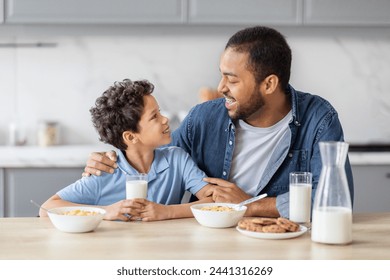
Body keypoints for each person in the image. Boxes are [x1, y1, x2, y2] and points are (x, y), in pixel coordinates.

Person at [82, 26, 354, 219]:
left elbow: (335, 201)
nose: (220, 87)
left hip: (285, 247)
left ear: (269, 84)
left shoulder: (318, 119)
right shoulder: (202, 118)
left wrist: (250, 205)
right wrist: (112, 160)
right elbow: (156, 165)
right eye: (221, 76)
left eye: (232, 80)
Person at [40, 79, 214, 221]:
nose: (165, 119)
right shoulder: (106, 171)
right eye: (154, 117)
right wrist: (105, 211)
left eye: (159, 112)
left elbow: (213, 200)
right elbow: (47, 208)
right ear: (131, 137)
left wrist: (168, 212)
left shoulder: (177, 159)